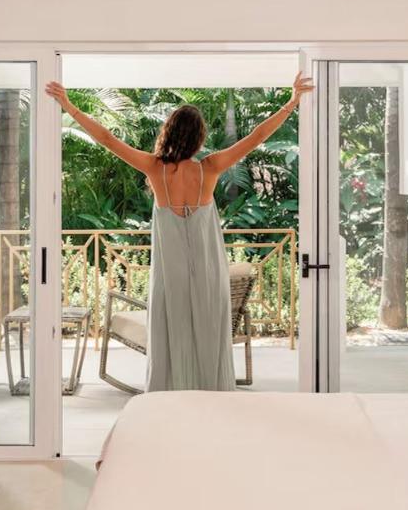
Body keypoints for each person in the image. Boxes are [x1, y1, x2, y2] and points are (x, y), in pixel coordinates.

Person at [45, 74, 314, 392]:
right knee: (209, 332)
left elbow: (107, 139)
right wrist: (291, 102)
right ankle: (210, 395)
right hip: (209, 271)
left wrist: (69, 105)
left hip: (169, 274)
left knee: (170, 333)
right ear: (199, 137)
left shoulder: (154, 168)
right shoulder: (210, 168)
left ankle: (170, 396)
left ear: (168, 132)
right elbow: (256, 137)